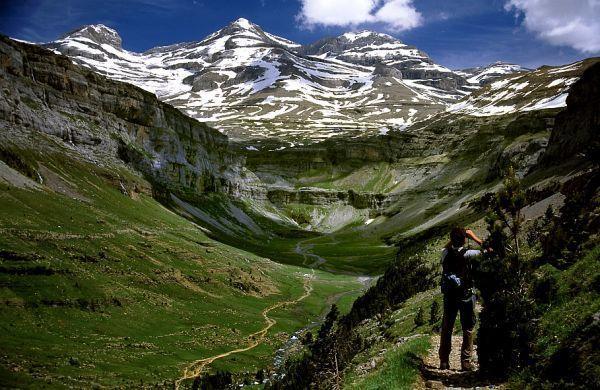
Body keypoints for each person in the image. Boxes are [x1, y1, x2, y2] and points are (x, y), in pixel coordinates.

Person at [438, 226, 487, 371]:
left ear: (451, 239)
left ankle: (444, 361)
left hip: (449, 295)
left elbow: (446, 247)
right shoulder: (469, 254)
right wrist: (474, 237)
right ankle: (465, 362)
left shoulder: (445, 253)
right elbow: (490, 251)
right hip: (465, 294)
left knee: (447, 328)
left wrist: (456, 238)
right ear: (464, 240)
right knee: (468, 328)